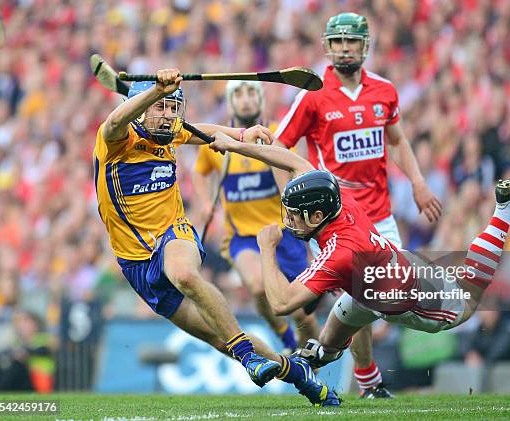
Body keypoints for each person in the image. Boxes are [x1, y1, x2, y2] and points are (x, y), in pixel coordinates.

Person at [205, 130, 510, 384]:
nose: (288, 220)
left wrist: (266, 247)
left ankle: (504, 207)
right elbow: (294, 161)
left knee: (467, 303)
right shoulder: (339, 199)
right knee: (330, 337)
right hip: (371, 281)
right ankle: (321, 356)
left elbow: (281, 303)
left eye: (295, 214)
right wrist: (235, 146)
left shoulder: (338, 252)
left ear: (317, 215)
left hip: (406, 293)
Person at [93, 68, 339, 406]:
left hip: (173, 235)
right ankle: (301, 377)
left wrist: (241, 133)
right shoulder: (117, 140)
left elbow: (204, 132)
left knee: (183, 273)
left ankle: (249, 358)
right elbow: (115, 120)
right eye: (160, 108)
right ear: (142, 106)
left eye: (173, 108)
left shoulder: (171, 131)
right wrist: (157, 91)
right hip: (135, 262)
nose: (168, 117)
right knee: (221, 339)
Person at [273, 12, 442, 397]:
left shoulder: (384, 90)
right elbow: (280, 148)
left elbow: (396, 141)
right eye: (336, 42)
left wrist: (417, 183)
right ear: (327, 47)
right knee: (363, 296)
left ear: (366, 45)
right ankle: (368, 380)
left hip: (380, 215)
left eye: (351, 42)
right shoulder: (312, 95)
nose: (343, 48)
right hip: (335, 222)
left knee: (389, 295)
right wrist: (294, 211)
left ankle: (346, 360)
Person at [194, 81, 318, 353]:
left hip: (285, 235)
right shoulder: (217, 138)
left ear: (260, 100)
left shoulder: (279, 135)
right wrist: (204, 202)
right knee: (257, 286)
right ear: (230, 102)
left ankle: (317, 358)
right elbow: (200, 172)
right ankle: (285, 339)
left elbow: (295, 170)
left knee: (302, 315)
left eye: (252, 93)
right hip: (243, 236)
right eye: (238, 94)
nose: (246, 100)